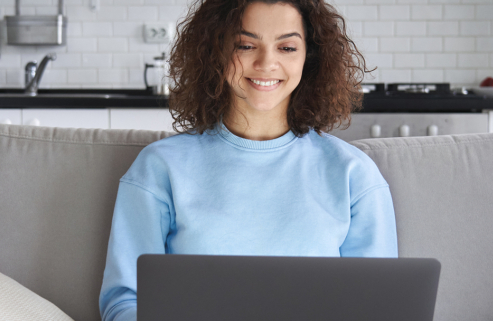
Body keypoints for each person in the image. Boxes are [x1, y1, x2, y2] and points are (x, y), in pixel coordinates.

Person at [99, 0, 397, 319]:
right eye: (245, 45)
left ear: (308, 58)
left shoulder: (354, 174)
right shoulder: (159, 167)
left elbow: (376, 305)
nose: (266, 63)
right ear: (216, 51)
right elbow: (125, 300)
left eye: (287, 47)